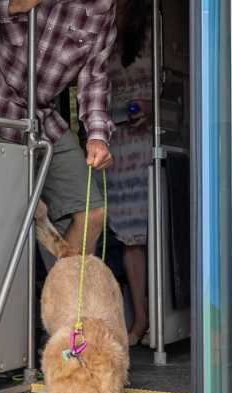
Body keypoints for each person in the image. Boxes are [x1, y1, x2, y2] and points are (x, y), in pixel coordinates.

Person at [0, 0, 118, 255]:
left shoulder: (103, 6)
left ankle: (65, 283)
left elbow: (94, 77)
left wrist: (97, 135)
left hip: (41, 117)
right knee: (1, 223)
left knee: (91, 212)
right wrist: (11, 6)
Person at [104, 0, 154, 344]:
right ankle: (140, 320)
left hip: (151, 140)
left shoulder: (152, 25)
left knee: (158, 230)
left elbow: (175, 79)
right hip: (114, 143)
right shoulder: (99, 23)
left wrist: (153, 104)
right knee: (128, 236)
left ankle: (163, 318)